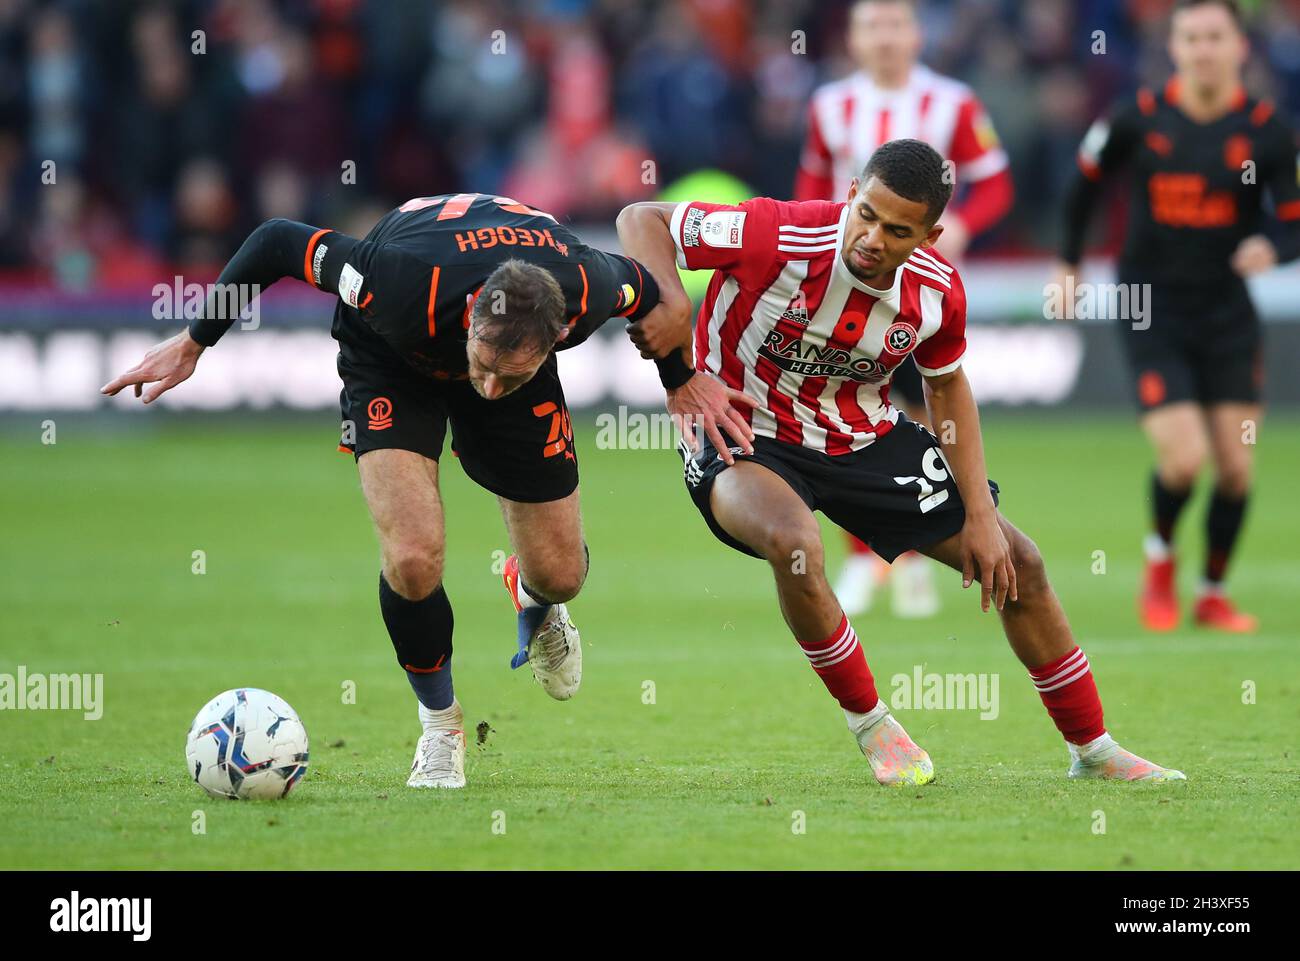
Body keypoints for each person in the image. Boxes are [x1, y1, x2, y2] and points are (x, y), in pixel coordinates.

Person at [101, 192, 750, 789]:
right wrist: (195, 340)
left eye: (511, 373)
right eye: (486, 366)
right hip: (390, 355)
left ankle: (533, 594)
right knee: (413, 557)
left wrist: (680, 380)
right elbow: (275, 240)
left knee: (561, 573)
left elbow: (663, 302)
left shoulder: (588, 283)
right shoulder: (396, 280)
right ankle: (440, 725)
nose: (489, 387)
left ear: (559, 337)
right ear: (474, 318)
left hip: (497, 329)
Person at [618, 139, 1184, 785]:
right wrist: (673, 309)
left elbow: (946, 391)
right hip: (742, 428)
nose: (870, 237)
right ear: (853, 191)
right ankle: (873, 724)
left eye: (896, 229)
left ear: (930, 233)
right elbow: (643, 218)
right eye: (865, 213)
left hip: (862, 437)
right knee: (792, 540)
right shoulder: (777, 231)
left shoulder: (937, 291)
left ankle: (1095, 750)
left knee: (1018, 561)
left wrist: (979, 514)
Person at [1056, 0, 1300, 633]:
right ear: (1176, 48)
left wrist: (1273, 245)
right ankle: (1160, 560)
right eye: (1190, 37)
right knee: (1185, 459)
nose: (1203, 49)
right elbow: (1084, 184)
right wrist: (1069, 265)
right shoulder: (1136, 119)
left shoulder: (1270, 132)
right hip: (1150, 309)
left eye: (1215, 37)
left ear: (1240, 47)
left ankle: (1212, 592)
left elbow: (1294, 219)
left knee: (1238, 464)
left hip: (1226, 314)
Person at [795, 0, 1014, 619]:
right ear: (854, 38)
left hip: (914, 297)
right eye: (871, 25)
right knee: (831, 418)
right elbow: (811, 194)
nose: (885, 37)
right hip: (837, 294)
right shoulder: (829, 106)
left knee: (917, 421)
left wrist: (964, 224)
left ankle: (912, 559)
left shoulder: (954, 103)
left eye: (896, 24)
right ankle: (865, 559)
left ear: (916, 35)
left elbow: (997, 182)